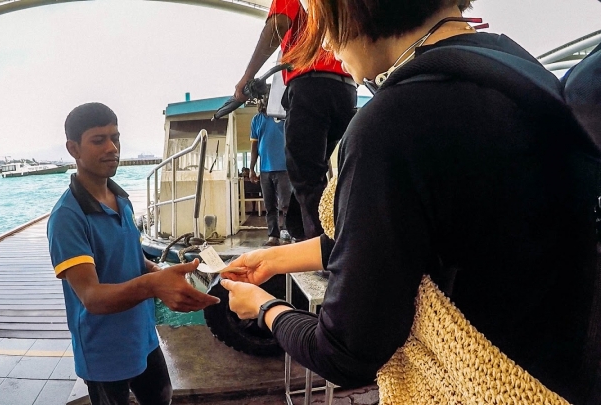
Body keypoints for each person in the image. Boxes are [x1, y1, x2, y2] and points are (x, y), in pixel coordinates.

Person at [220, 1, 600, 404]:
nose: (326, 41)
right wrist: (275, 261)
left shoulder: (391, 125)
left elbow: (347, 352)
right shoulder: (519, 71)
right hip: (563, 376)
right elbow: (407, 234)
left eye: (321, 16)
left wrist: (264, 308)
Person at [47, 102, 219, 405]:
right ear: (73, 149)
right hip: (103, 351)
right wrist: (154, 286)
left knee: (161, 398)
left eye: (116, 137)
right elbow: (92, 297)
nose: (112, 147)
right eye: (99, 140)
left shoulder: (121, 200)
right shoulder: (67, 217)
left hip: (143, 337)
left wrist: (163, 274)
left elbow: (132, 261)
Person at [234, 0, 357, 242]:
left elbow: (277, 23)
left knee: (305, 174)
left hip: (311, 84)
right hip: (346, 89)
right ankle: (303, 231)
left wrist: (246, 79)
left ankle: (323, 250)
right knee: (314, 170)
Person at [249, 97, 292, 246]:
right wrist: (251, 168)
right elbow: (254, 147)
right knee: (269, 205)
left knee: (286, 204)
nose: (264, 102)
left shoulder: (284, 117)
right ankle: (273, 236)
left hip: (284, 168)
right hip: (265, 170)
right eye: (262, 100)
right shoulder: (256, 120)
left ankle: (287, 232)